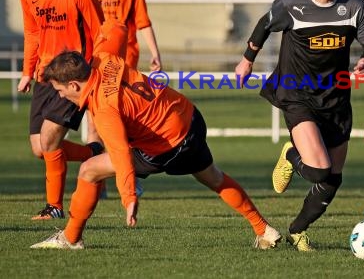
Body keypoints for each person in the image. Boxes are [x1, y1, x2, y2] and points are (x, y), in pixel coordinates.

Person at [31, 51, 282, 250]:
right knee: (213, 177)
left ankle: (71, 239)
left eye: (60, 91)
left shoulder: (105, 109)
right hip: (189, 118)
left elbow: (119, 154)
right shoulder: (105, 59)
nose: (61, 97)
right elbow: (111, 29)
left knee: (89, 170)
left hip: (167, 144)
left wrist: (129, 198)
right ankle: (263, 229)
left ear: (74, 84)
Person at [234, 0, 364, 251]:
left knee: (333, 179)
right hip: (297, 94)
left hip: (336, 98)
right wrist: (247, 59)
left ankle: (298, 229)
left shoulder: (354, 6)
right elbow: (264, 25)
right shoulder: (291, 4)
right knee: (317, 169)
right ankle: (291, 153)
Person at [17, 0, 109, 220]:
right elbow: (32, 32)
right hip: (44, 75)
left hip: (73, 79)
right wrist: (27, 71)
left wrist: (96, 77)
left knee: (50, 139)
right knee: (39, 148)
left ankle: (54, 208)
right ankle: (100, 157)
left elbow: (100, 35)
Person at [80, 0, 162, 197]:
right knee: (95, 121)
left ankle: (131, 173)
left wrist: (155, 52)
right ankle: (99, 180)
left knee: (124, 120)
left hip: (124, 65)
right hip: (94, 62)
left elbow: (142, 22)